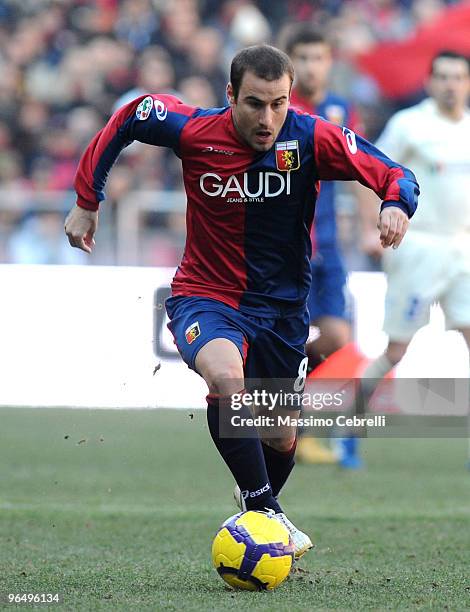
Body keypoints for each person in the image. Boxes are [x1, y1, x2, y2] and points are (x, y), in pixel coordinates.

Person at [64, 44, 418, 559]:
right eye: (255, 103)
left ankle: (260, 501)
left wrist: (394, 205)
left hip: (281, 310)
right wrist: (86, 201)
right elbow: (131, 115)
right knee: (227, 380)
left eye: (279, 103)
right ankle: (265, 512)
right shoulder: (192, 130)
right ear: (230, 95)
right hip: (205, 295)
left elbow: (396, 173)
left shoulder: (312, 136)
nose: (268, 117)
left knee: (279, 437)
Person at [357, 50, 470, 433]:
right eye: (443, 77)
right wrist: (371, 225)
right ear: (430, 83)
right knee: (396, 350)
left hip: (463, 247)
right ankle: (350, 427)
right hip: (418, 246)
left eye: (458, 77)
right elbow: (372, 170)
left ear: (467, 83)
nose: (450, 85)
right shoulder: (409, 125)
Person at [286, 26, 365, 467]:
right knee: (286, 340)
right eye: (304, 58)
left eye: (319, 58)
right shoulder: (278, 110)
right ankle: (284, 423)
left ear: (329, 62)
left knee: (337, 337)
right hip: (286, 246)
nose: (312, 66)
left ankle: (292, 417)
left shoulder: (340, 109)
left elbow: (358, 166)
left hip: (328, 244)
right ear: (290, 64)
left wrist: (374, 216)